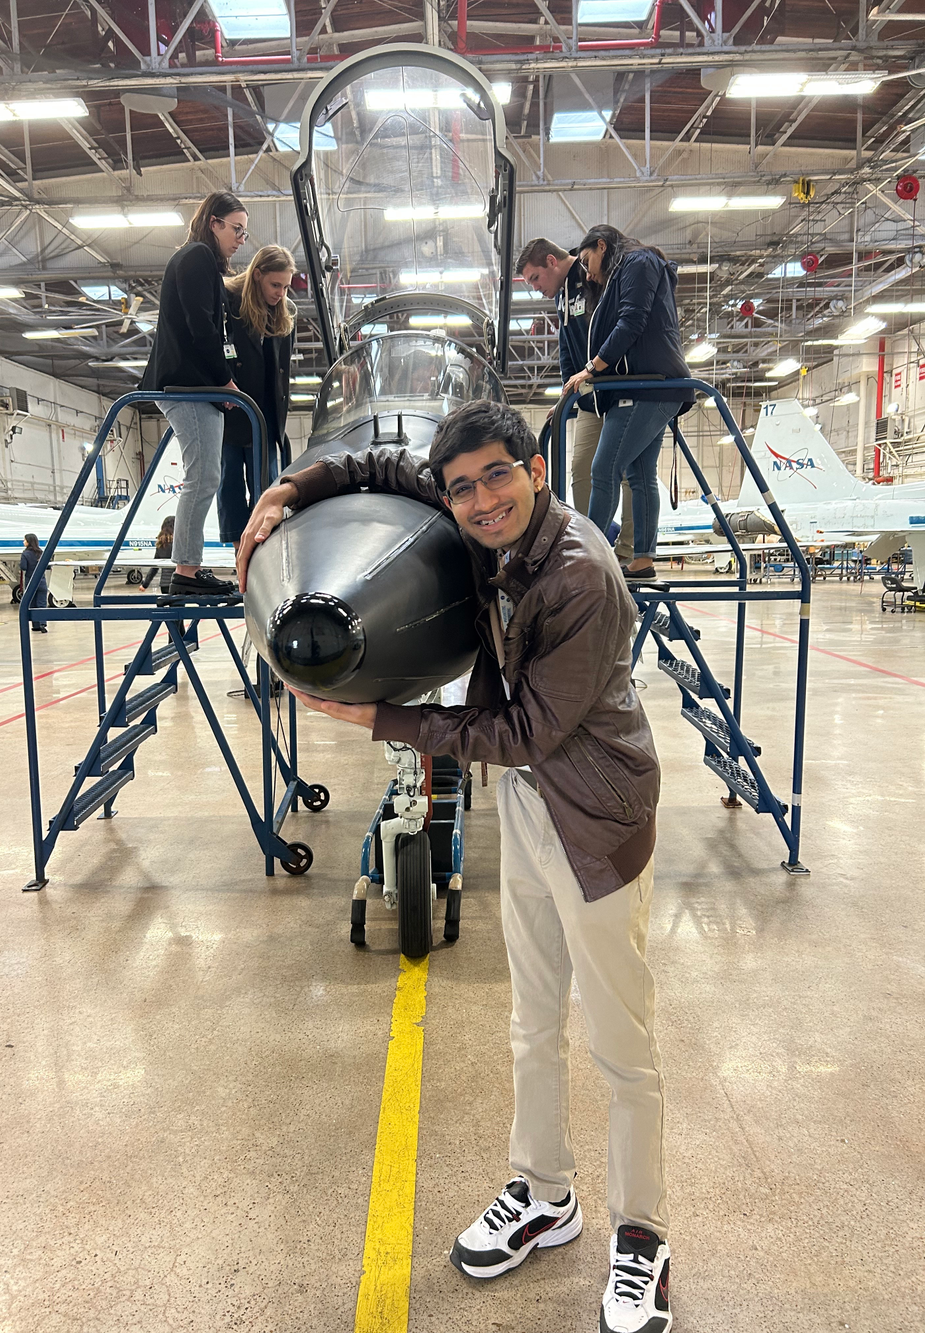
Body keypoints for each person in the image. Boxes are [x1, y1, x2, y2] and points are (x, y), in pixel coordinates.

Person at [237, 400, 671, 1333]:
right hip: (528, 803)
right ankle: (544, 1190)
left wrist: (379, 719)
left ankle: (643, 1237)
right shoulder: (485, 527)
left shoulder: (579, 575)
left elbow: (525, 731)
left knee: (621, 1046)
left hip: (595, 817)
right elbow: (393, 466)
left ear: (538, 469)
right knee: (531, 1021)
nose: (478, 501)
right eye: (463, 485)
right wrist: (291, 486)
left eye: (496, 477)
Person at [562, 225, 694, 583]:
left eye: (588, 260)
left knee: (603, 469)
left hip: (648, 388)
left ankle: (590, 557)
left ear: (602, 246)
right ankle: (642, 560)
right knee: (639, 474)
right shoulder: (623, 272)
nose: (587, 272)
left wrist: (589, 370)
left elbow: (632, 321)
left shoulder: (638, 261)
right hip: (647, 388)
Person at [140, 190, 249, 599]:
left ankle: (188, 567)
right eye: (236, 229)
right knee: (202, 477)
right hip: (185, 385)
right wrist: (223, 380)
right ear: (214, 223)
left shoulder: (200, 262)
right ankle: (187, 570)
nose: (241, 238)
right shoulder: (197, 257)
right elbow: (201, 326)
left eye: (245, 231)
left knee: (205, 476)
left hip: (192, 384)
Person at [516, 237, 634, 562]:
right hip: (589, 396)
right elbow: (567, 346)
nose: (535, 288)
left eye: (535, 279)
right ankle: (591, 551)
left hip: (619, 386)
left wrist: (597, 368)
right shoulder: (562, 297)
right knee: (582, 470)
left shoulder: (592, 275)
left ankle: (629, 550)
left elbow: (618, 325)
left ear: (551, 262)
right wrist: (567, 392)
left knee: (625, 470)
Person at [218, 245, 297, 548]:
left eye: (286, 286)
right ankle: (238, 548)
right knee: (230, 483)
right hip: (232, 407)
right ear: (257, 275)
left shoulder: (283, 313)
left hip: (265, 414)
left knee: (267, 483)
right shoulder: (229, 301)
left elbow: (282, 372)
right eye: (275, 285)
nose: (280, 293)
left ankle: (266, 546)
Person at [138, 515, 175, 595]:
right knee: (177, 607)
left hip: (164, 584)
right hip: (176, 583)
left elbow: (154, 567)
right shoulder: (178, 544)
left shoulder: (160, 545)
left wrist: (145, 584)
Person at [19, 533, 48, 632]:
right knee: (42, 603)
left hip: (31, 582)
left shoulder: (25, 554)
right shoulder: (41, 553)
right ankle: (42, 624)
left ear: (28, 542)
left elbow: (24, 567)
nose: (23, 542)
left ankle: (35, 625)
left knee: (32, 603)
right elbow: (47, 566)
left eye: (24, 540)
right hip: (42, 581)